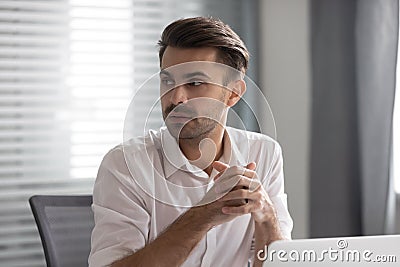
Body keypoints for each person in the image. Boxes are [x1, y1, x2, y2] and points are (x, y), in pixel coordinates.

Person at [89, 17, 293, 267]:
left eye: (195, 83)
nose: (176, 97)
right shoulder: (125, 164)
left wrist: (266, 216)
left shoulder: (264, 153)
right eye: (167, 81)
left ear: (233, 93)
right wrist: (204, 215)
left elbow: (277, 262)